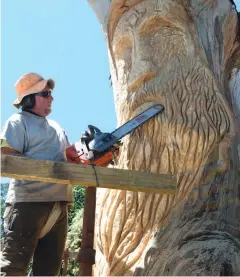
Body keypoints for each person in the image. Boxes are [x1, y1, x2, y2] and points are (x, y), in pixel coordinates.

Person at [0, 72, 74, 276]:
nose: (51, 97)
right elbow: (6, 156)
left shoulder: (57, 127)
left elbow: (72, 158)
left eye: (50, 93)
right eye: (46, 93)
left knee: (49, 272)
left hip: (59, 205)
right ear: (30, 98)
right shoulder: (17, 121)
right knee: (13, 269)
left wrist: (91, 153)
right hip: (27, 203)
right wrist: (45, 168)